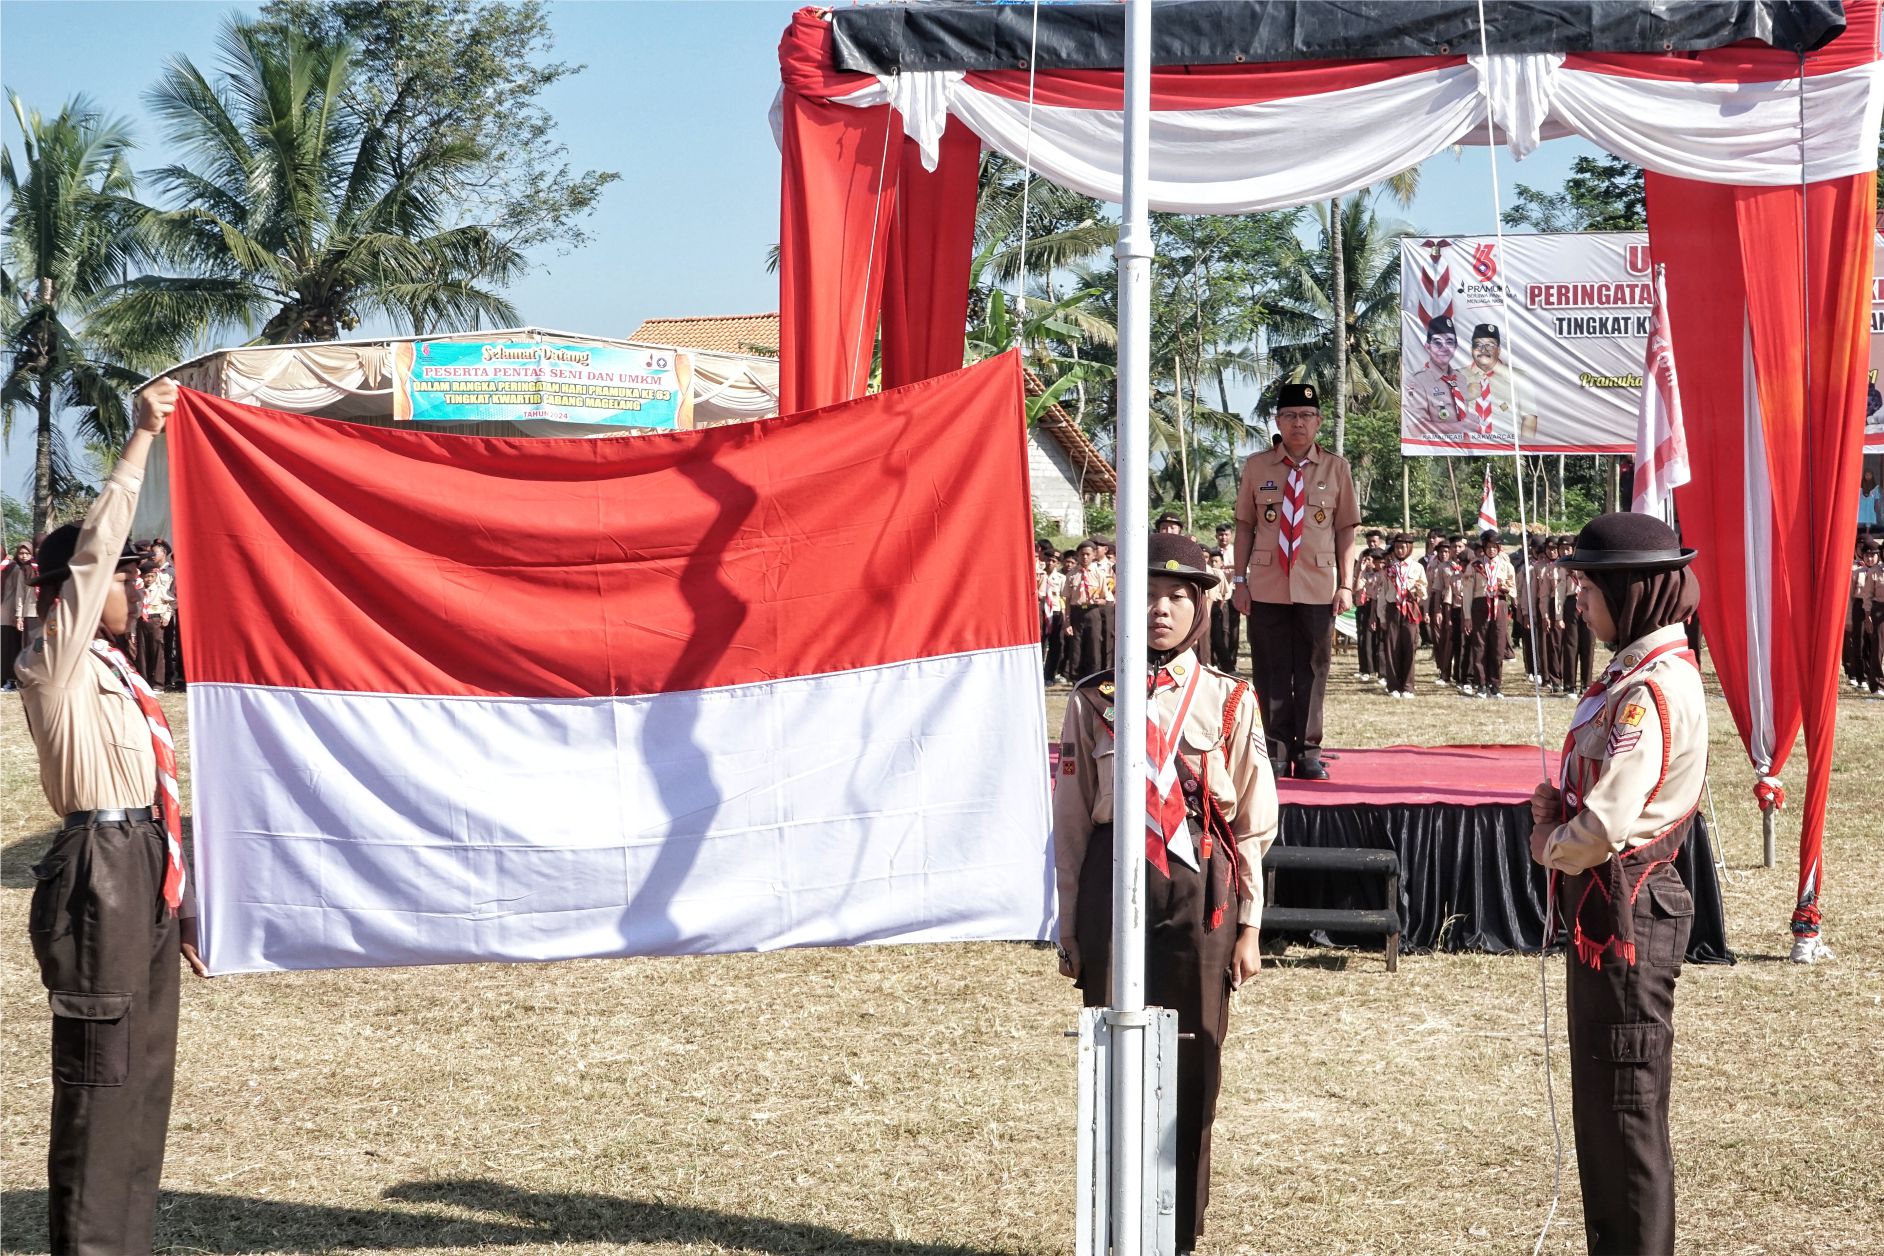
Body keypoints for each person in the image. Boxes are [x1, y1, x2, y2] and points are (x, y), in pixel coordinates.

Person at [17, 378, 209, 1256]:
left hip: (142, 858)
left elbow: (161, 789)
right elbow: (91, 556)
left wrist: (186, 890)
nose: (139, 584)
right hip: (97, 865)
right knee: (103, 1075)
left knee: (147, 1074)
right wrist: (140, 442)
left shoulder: (125, 675)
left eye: (139, 573)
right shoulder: (53, 662)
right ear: (80, 591)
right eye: (130, 574)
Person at [1054, 531, 1278, 1254]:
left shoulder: (1230, 698)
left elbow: (1252, 821)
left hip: (1198, 884)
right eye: (1147, 596)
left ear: (1200, 608)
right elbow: (1070, 818)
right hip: (1111, 883)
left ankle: (1176, 1231)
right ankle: (1116, 1227)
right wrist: (1068, 921)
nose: (1160, 611)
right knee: (1112, 1053)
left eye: (1177, 597)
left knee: (1193, 1056)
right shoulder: (1094, 700)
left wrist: (1250, 924)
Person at [1527, 512, 1707, 1256]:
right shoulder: (1632, 674)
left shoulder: (1650, 688)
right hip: (1609, 911)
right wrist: (1561, 800)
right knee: (1603, 1108)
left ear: (1627, 592)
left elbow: (1607, 826)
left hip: (1626, 910)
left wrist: (1551, 843)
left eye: (1586, 587)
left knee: (1626, 1115)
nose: (1578, 603)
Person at [1230, 381, 1361, 779]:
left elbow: (1346, 532)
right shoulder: (1257, 466)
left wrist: (1346, 584)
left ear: (1318, 421)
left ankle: (1307, 752)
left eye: (1306, 416)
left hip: (1318, 585)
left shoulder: (1337, 468)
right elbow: (1244, 528)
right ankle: (1273, 749)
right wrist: (1239, 580)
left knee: (1313, 668)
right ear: (1278, 421)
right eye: (1289, 415)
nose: (1298, 423)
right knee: (1269, 669)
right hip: (1268, 583)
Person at [1461, 529, 1517, 698]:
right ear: (1483, 547)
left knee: (1498, 644)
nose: (1491, 550)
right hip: (1480, 605)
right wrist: (1468, 616)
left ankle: (1495, 684)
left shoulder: (1506, 566)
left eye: (1495, 546)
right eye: (1488, 546)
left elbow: (1513, 589)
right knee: (1480, 645)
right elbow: (1468, 592)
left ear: (1499, 548)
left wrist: (1506, 589)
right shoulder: (1475, 566)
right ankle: (1481, 684)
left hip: (1498, 605)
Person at [1462, 323, 1538, 443]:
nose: (1483, 350)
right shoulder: (1456, 376)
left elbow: (1529, 418)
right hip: (1467, 451)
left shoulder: (1518, 378)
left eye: (1490, 345)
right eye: (1478, 345)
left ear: (1499, 350)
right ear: (1471, 350)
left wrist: (1526, 449)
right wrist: (1463, 396)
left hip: (1508, 452)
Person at [1403, 314, 1468, 437]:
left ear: (1456, 346)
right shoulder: (1416, 381)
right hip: (1437, 453)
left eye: (1449, 342)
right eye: (1437, 343)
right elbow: (1414, 428)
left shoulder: (1461, 379)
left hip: (1469, 451)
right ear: (1427, 347)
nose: (1444, 348)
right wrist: (1457, 427)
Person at [1380, 533, 1428, 698]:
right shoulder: (1388, 569)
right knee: (1392, 647)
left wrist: (1416, 591)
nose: (1400, 550)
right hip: (1393, 608)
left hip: (1410, 608)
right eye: (1397, 547)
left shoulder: (1417, 568)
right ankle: (1393, 685)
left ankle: (1408, 686)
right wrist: (1382, 617)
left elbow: (1424, 591)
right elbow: (1382, 594)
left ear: (1410, 548)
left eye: (1403, 547)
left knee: (1409, 645)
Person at [3, 540, 40, 689]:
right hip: (29, 613)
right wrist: (19, 615)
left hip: (46, 614)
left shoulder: (47, 567)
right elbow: (20, 594)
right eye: (21, 553)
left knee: (43, 646)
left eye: (27, 553)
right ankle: (28, 678)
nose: (24, 556)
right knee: (29, 648)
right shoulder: (24, 570)